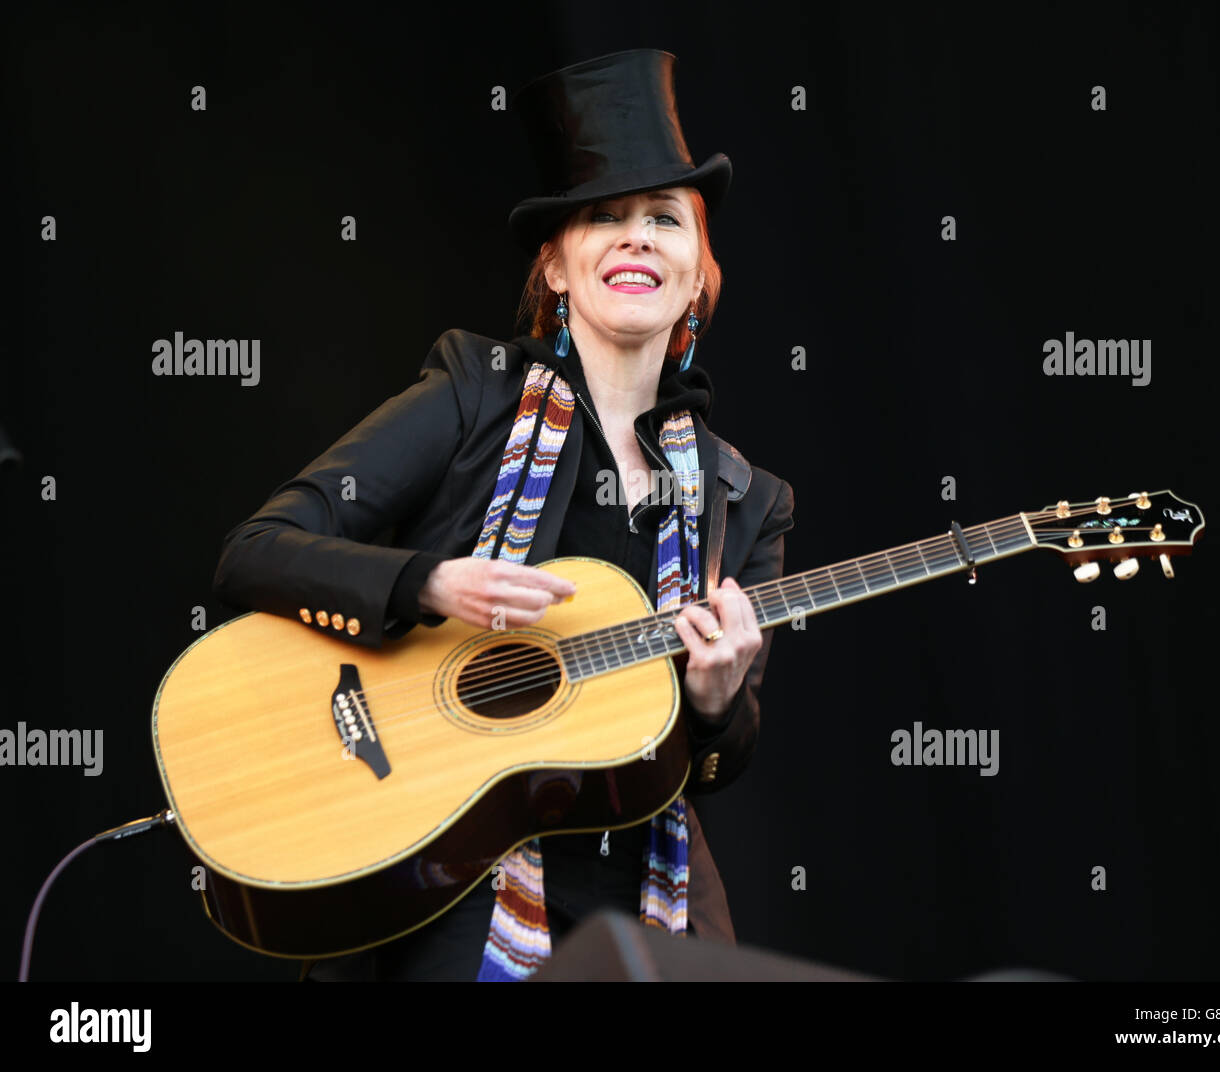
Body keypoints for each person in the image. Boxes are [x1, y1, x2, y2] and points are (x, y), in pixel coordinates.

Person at [211, 48, 794, 981]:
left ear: (696, 277)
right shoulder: (472, 395)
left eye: (663, 220)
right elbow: (255, 551)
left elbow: (715, 768)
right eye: (605, 218)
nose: (636, 237)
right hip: (441, 901)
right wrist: (429, 582)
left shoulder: (742, 495)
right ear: (557, 269)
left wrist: (721, 698)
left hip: (641, 924)